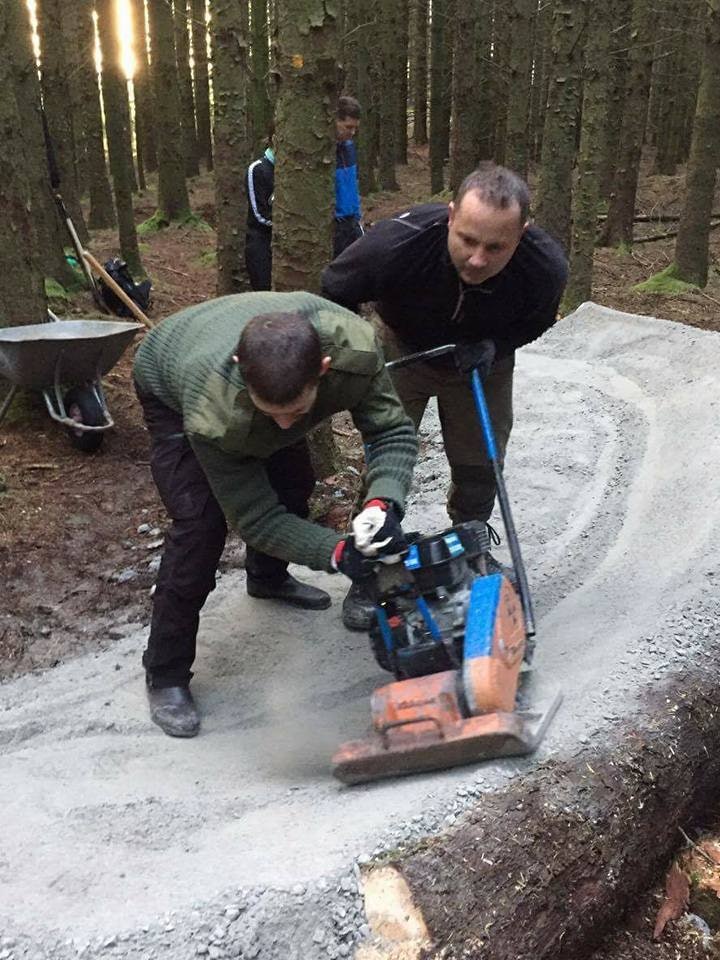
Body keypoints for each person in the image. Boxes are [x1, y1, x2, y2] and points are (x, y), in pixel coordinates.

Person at [133, 292, 418, 738]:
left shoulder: (356, 353)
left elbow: (391, 430)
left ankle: (267, 579)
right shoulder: (215, 412)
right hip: (168, 377)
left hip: (250, 365)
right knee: (199, 530)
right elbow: (255, 518)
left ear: (324, 370)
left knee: (293, 483)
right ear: (241, 373)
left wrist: (383, 503)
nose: (287, 427)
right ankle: (165, 673)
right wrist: (338, 552)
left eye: (298, 412)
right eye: (273, 414)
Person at [321, 162, 568, 630]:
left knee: (481, 460)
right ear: (451, 216)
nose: (477, 259)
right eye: (468, 240)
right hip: (404, 350)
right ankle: (371, 568)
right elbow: (333, 290)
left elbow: (537, 320)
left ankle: (470, 542)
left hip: (482, 362)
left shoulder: (544, 266)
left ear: (522, 234)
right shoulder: (396, 244)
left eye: (496, 247)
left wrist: (498, 345)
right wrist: (358, 346)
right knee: (386, 460)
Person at [244, 97, 364, 291]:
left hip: (335, 229)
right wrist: (294, 227)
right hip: (264, 244)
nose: (352, 133)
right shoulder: (259, 170)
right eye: (348, 127)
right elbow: (259, 215)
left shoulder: (337, 153)